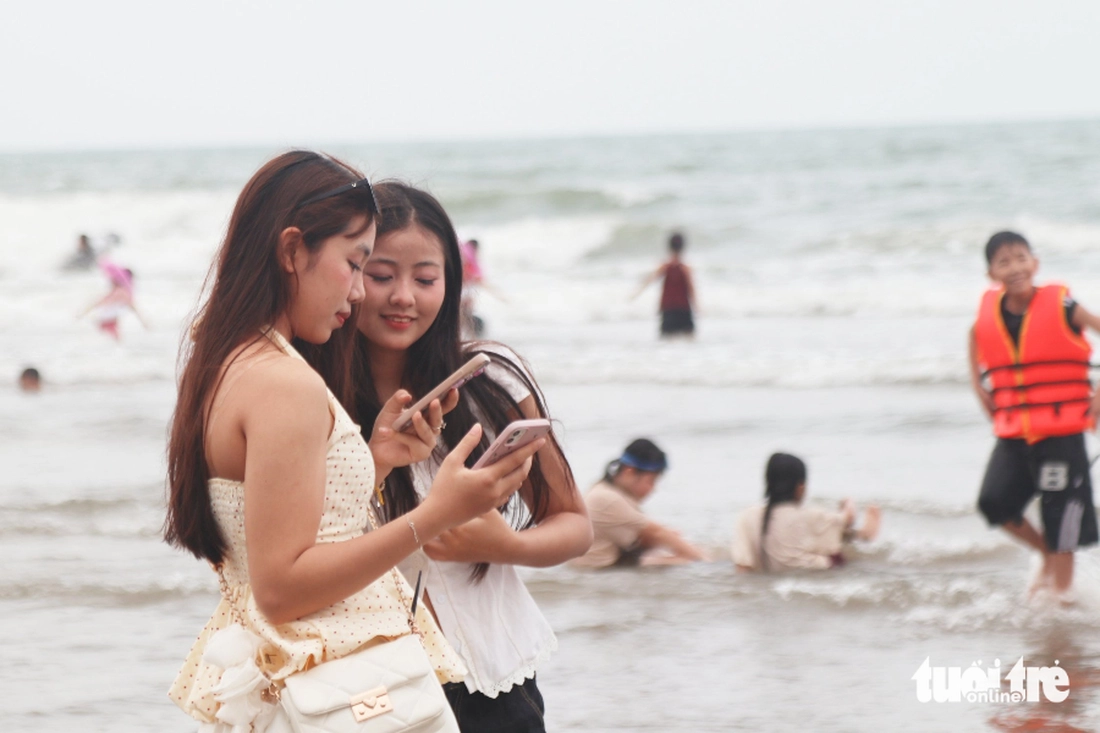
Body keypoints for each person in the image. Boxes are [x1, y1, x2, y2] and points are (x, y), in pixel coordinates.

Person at [163, 151, 543, 731]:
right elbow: (282, 587)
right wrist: (436, 515)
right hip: (336, 681)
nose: (362, 291)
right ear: (293, 251)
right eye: (356, 263)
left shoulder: (228, 361)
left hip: (290, 677)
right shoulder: (285, 382)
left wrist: (375, 461)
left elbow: (279, 527)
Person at [321, 181, 591, 732]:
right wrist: (376, 462)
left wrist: (506, 545)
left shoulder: (491, 383)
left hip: (495, 679)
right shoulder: (317, 400)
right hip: (376, 688)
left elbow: (574, 524)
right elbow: (305, 548)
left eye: (426, 279)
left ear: (451, 284)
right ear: (348, 275)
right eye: (381, 275)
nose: (404, 297)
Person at [969, 230, 1100, 598]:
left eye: (1021, 259)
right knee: (993, 502)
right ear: (991, 273)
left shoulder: (1064, 306)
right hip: (1014, 433)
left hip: (1062, 434)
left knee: (1062, 521)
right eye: (1004, 262)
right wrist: (976, 384)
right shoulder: (990, 313)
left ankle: (1061, 600)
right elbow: (974, 335)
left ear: (1035, 263)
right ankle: (1043, 553)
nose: (1015, 268)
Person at [732, 453, 880, 572]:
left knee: (829, 532)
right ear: (800, 487)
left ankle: (855, 534)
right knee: (837, 542)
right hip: (816, 572)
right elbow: (849, 518)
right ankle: (863, 534)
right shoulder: (810, 516)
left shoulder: (747, 516)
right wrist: (848, 502)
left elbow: (742, 567)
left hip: (774, 575)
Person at [571, 438, 707, 569]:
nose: (653, 489)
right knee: (686, 561)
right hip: (601, 572)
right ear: (629, 472)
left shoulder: (605, 490)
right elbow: (658, 533)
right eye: (651, 481)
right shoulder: (607, 498)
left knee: (670, 551)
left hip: (605, 569)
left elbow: (646, 538)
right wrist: (703, 560)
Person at [632, 231, 697, 338]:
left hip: (668, 310)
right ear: (683, 247)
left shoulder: (665, 266)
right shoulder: (685, 268)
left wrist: (636, 293)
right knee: (688, 339)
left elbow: (649, 280)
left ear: (669, 246)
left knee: (667, 340)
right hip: (684, 310)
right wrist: (697, 307)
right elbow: (691, 289)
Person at [79, 258, 147, 339]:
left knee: (111, 341)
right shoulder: (121, 292)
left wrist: (83, 313)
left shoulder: (119, 292)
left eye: (113, 277)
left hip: (106, 322)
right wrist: (143, 322)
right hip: (109, 322)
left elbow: (97, 303)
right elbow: (132, 307)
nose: (110, 279)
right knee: (115, 341)